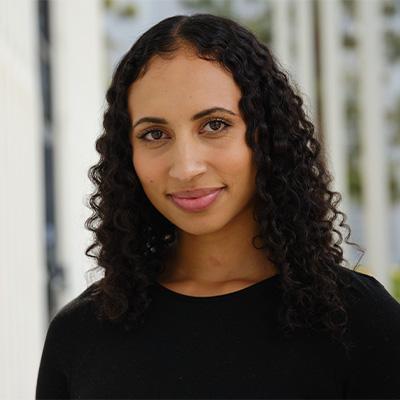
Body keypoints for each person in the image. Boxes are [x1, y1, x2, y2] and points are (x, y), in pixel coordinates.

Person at [35, 13, 400, 399]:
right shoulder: (80, 335)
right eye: (154, 134)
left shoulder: (358, 324)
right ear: (128, 155)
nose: (186, 167)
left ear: (265, 136)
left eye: (214, 125)